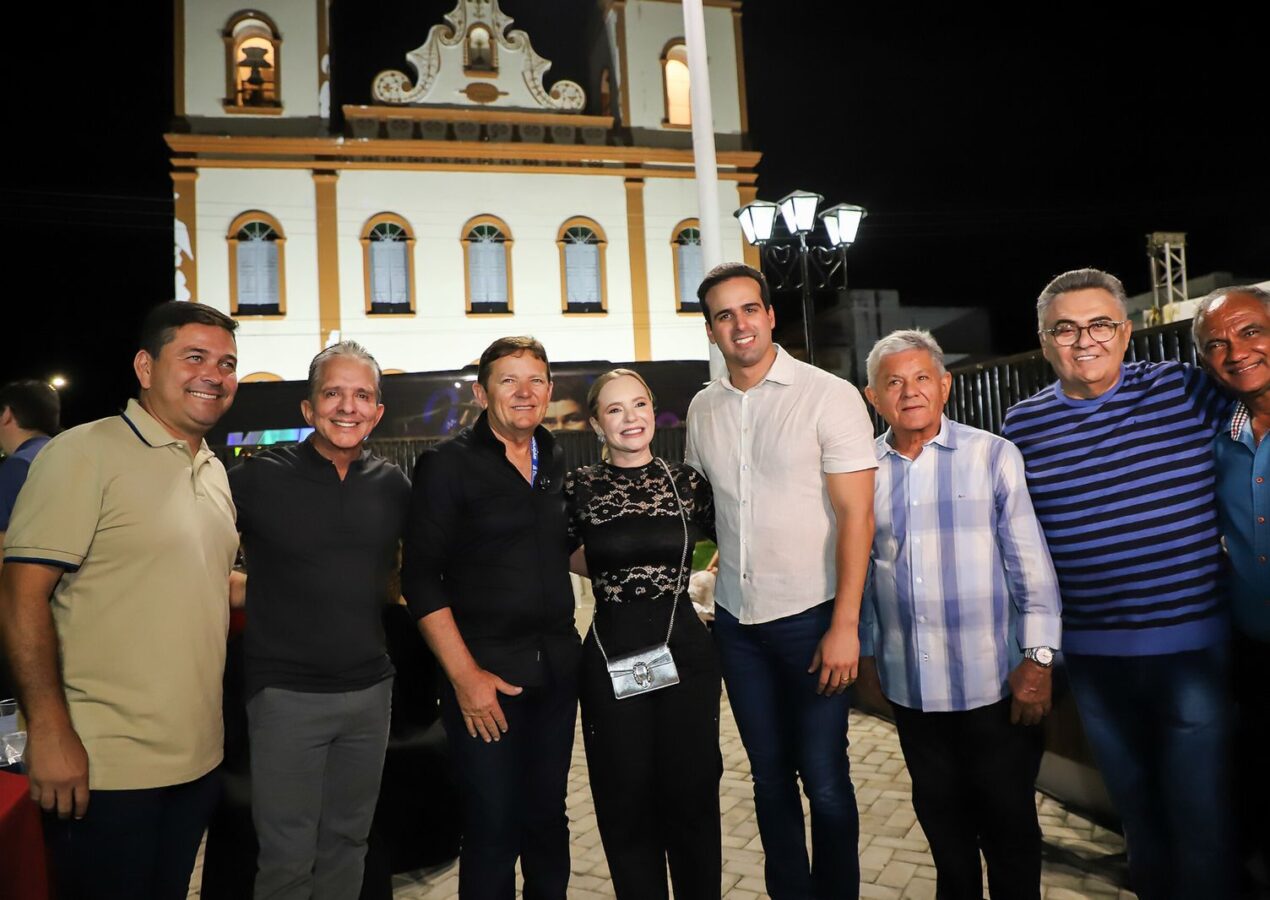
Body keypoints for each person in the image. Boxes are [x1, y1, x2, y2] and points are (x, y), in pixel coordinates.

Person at [1001, 268, 1233, 900]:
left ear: (1126, 332)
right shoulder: (1022, 427)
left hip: (1194, 650)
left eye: (1100, 324)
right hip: (1094, 659)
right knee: (1139, 817)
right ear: (1045, 342)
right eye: (1066, 329)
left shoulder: (1185, 390)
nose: (1085, 341)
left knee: (1204, 815)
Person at [0, 301, 240, 900]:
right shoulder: (84, 453)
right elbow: (20, 598)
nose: (214, 374)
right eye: (194, 357)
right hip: (103, 768)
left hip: (197, 763)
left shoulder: (212, 469)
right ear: (145, 366)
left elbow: (201, 579)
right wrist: (48, 732)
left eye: (227, 363)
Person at [685, 262, 877, 899]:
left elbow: (858, 517)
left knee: (824, 778)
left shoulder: (828, 395)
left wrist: (845, 626)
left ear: (770, 316)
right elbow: (713, 510)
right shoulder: (703, 408)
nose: (739, 324)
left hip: (813, 619)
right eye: (723, 315)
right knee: (768, 779)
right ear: (710, 330)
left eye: (749, 309)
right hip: (738, 625)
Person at [857, 329, 1062, 900]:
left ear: (945, 386)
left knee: (1010, 831)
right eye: (894, 382)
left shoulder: (992, 455)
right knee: (946, 839)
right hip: (912, 690)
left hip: (995, 684)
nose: (910, 392)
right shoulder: (860, 470)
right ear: (873, 397)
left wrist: (1039, 660)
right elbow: (862, 572)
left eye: (922, 377)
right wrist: (868, 655)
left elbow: (1031, 569)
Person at [228, 341, 410, 899]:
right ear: (308, 408)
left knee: (348, 844)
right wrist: (249, 589)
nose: (348, 407)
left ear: (378, 411)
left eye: (362, 395)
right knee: (286, 858)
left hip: (370, 693)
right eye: (333, 393)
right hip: (285, 694)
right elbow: (191, 553)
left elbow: (417, 572)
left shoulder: (394, 486)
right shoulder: (257, 478)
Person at [401, 336, 580, 900]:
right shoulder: (446, 465)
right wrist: (466, 678)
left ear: (549, 391)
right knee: (492, 828)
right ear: (482, 394)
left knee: (548, 820)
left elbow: (559, 547)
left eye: (535, 380)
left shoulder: (552, 455)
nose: (524, 392)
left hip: (556, 675)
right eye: (508, 380)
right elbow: (420, 580)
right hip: (486, 683)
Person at [564, 368, 721, 900]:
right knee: (625, 801)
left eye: (639, 405)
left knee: (693, 797)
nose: (630, 418)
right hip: (613, 657)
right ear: (596, 424)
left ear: (653, 412)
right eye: (615, 409)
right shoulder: (579, 487)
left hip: (686, 655)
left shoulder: (687, 482)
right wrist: (617, 572)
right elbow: (562, 553)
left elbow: (730, 541)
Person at [1191, 284, 1270, 888]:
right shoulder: (1218, 437)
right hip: (1254, 660)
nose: (1236, 352)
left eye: (1250, 331)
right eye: (1216, 344)